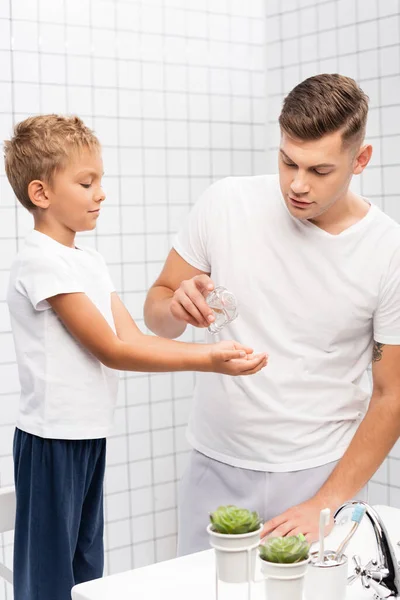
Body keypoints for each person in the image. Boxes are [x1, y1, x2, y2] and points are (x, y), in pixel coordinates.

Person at [4, 114, 267, 600]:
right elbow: (112, 349)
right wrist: (207, 360)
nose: (101, 192)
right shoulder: (39, 261)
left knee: (86, 568)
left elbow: (131, 334)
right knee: (46, 580)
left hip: (88, 435)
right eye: (87, 182)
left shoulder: (88, 261)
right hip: (51, 440)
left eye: (100, 179)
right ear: (41, 194)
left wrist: (207, 347)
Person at [144, 74, 400, 555]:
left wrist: (326, 500)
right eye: (288, 162)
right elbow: (157, 315)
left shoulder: (389, 252)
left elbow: (392, 396)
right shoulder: (225, 203)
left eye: (320, 171)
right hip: (214, 465)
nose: (297, 185)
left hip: (319, 475)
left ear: (360, 159)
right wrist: (176, 305)